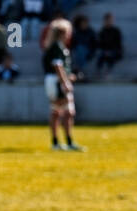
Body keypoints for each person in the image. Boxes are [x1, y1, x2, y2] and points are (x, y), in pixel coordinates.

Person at [42, 18, 82, 151]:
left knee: (59, 111)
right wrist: (65, 82)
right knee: (64, 111)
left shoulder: (56, 46)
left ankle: (58, 142)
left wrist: (69, 76)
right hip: (56, 82)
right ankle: (64, 142)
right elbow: (57, 65)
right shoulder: (57, 47)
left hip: (53, 80)